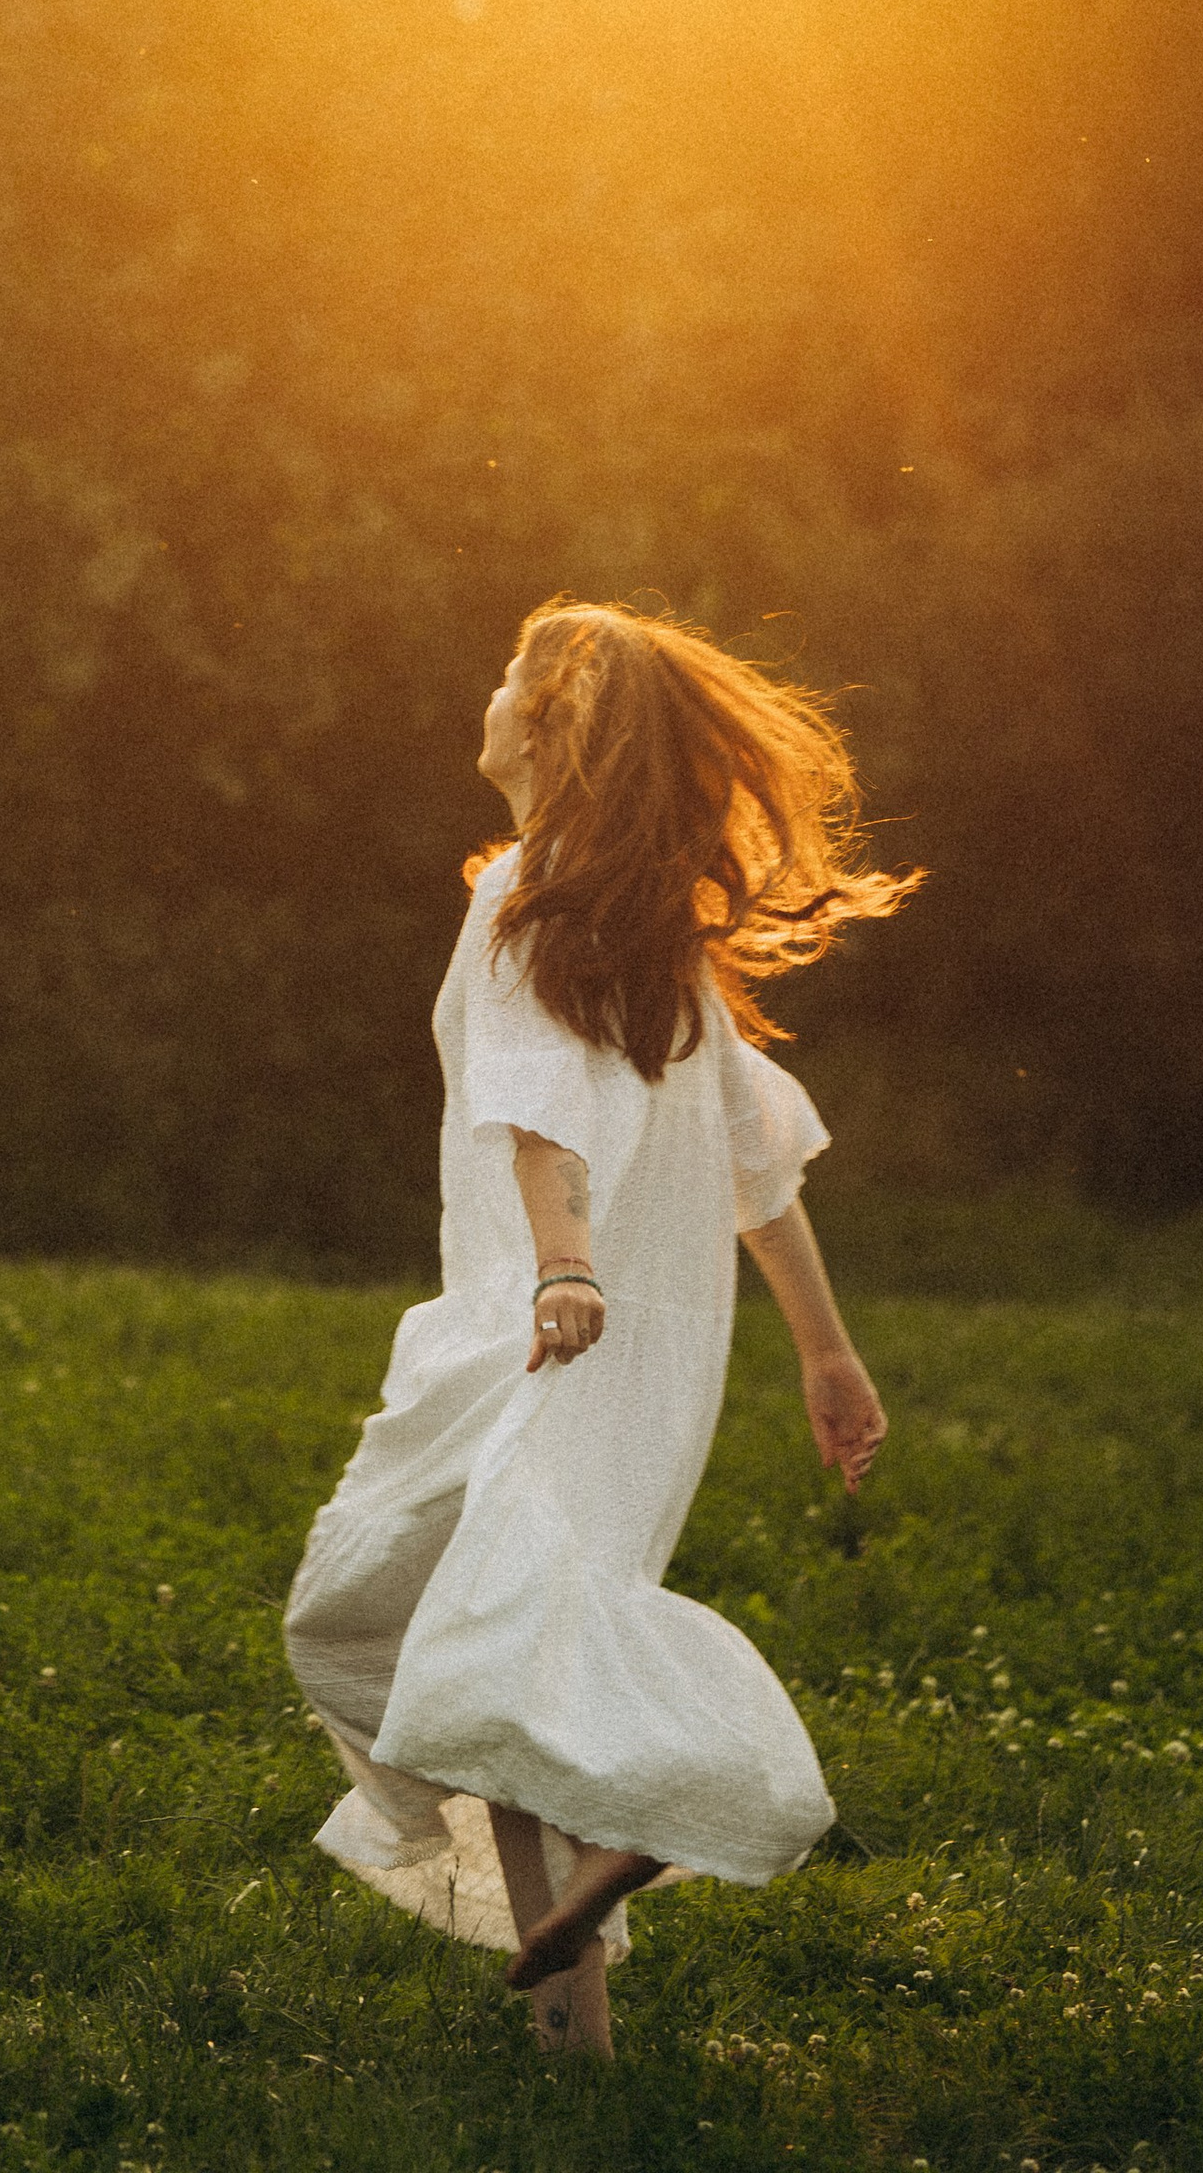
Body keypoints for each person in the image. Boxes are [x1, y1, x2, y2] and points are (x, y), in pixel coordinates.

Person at [283, 597, 917, 2061]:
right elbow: (759, 1171)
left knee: (361, 1619)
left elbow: (535, 1110)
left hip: (542, 1335)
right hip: (636, 1351)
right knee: (490, 1656)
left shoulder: (528, 893)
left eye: (511, 674)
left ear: (551, 726)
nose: (491, 690)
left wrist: (563, 1267)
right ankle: (579, 2037)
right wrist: (826, 1351)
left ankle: (657, 1791)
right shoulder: (646, 928)